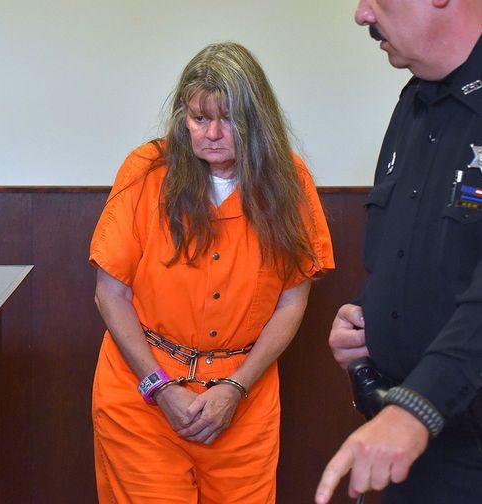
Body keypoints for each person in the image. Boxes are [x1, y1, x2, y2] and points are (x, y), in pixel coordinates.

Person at [89, 42, 334, 503]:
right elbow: (110, 295)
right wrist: (161, 389)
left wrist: (236, 387)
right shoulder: (146, 171)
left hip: (242, 396)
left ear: (256, 120)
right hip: (143, 394)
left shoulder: (290, 179)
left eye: (230, 120)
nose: (213, 134)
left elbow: (292, 300)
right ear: (183, 117)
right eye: (200, 119)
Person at [316, 1, 482, 503]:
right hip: (414, 441)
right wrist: (368, 319)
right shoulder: (415, 102)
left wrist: (418, 407)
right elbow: (412, 254)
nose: (362, 14)